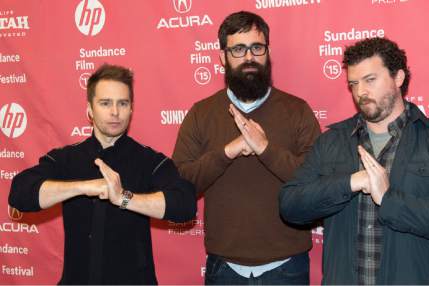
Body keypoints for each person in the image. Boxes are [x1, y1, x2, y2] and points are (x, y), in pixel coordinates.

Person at [279, 37, 429, 284]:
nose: (360, 92)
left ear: (398, 78)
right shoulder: (332, 140)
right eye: (353, 83)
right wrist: (350, 183)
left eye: (370, 80)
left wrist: (389, 200)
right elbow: (290, 205)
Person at [9, 64, 197, 285]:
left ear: (131, 109)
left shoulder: (149, 161)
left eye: (123, 103)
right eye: (105, 103)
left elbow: (185, 204)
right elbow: (20, 193)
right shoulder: (65, 158)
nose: (115, 112)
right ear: (89, 109)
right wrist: (83, 187)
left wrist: (124, 198)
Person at [172, 11, 320, 285]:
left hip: (288, 267)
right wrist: (227, 152)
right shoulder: (201, 114)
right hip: (223, 269)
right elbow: (181, 184)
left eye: (257, 47)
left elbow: (317, 183)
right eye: (238, 49)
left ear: (268, 51)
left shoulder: (297, 111)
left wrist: (266, 149)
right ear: (222, 56)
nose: (249, 57)